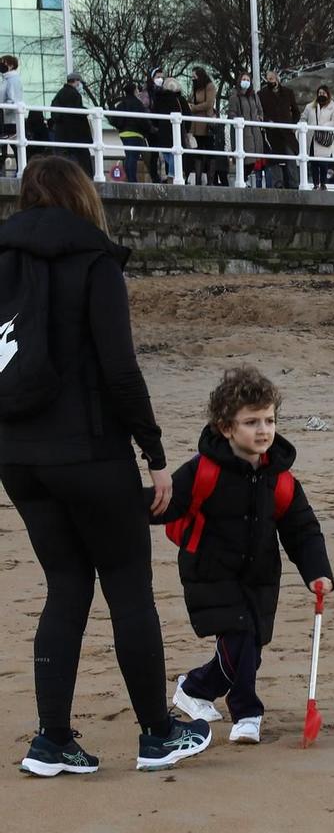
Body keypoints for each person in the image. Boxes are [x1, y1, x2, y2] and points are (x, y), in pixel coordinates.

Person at [0, 158, 210, 774]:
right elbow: (120, 371)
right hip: (88, 451)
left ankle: (52, 740)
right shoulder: (94, 265)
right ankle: (155, 733)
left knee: (64, 586)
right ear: (81, 198)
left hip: (16, 454)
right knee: (126, 586)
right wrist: (155, 454)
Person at [165, 364, 332, 744]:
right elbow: (164, 504)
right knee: (239, 638)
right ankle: (247, 712)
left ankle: (195, 687)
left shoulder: (282, 479)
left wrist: (316, 570)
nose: (263, 430)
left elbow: (302, 528)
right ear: (226, 428)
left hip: (260, 574)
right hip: (209, 570)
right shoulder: (201, 472)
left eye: (269, 420)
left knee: (249, 650)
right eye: (251, 422)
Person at [111, 80, 157, 186]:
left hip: (123, 134)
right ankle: (132, 180)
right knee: (133, 157)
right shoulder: (137, 104)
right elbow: (142, 120)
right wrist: (150, 129)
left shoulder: (121, 104)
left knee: (129, 156)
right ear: (134, 90)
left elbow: (114, 119)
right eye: (137, 89)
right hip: (135, 134)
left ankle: (130, 179)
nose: (138, 91)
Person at [259, 69, 300, 190]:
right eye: (268, 79)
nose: (270, 81)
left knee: (290, 156)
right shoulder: (261, 94)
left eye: (272, 78)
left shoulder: (288, 92)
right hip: (272, 132)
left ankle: (294, 184)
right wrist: (267, 121)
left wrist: (293, 125)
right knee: (274, 159)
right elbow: (260, 112)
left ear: (277, 79)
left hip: (287, 131)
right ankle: (278, 183)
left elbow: (296, 111)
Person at [224, 69, 265, 186]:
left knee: (254, 159)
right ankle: (243, 180)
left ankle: (244, 179)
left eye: (248, 80)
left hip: (255, 132)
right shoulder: (234, 97)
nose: (246, 81)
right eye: (244, 79)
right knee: (245, 159)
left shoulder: (255, 96)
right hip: (243, 132)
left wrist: (260, 118)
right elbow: (231, 113)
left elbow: (260, 110)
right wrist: (238, 121)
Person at [50, 74, 93, 176]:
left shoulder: (60, 93)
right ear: (76, 81)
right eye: (79, 82)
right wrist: (86, 111)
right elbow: (76, 111)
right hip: (75, 134)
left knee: (63, 159)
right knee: (83, 159)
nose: (80, 85)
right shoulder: (74, 94)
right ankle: (87, 177)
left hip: (62, 133)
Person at [300, 84, 334, 190]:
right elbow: (303, 118)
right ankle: (315, 184)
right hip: (312, 137)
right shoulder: (310, 106)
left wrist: (323, 127)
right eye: (319, 93)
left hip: (325, 138)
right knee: (313, 162)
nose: (321, 95)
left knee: (324, 163)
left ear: (328, 94)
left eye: (323, 93)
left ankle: (323, 183)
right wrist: (303, 127)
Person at [184, 67, 220, 185]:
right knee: (198, 152)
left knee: (210, 151)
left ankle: (210, 181)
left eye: (195, 76)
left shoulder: (209, 86)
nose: (193, 79)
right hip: (196, 123)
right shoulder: (196, 88)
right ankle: (198, 180)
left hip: (206, 122)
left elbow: (209, 103)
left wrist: (194, 107)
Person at [0, 53, 22, 174]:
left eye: (4, 63)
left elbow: (13, 99)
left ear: (11, 65)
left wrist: (4, 108)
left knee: (15, 145)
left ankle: (21, 170)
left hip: (10, 119)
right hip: (4, 118)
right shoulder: (5, 79)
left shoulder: (13, 79)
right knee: (6, 144)